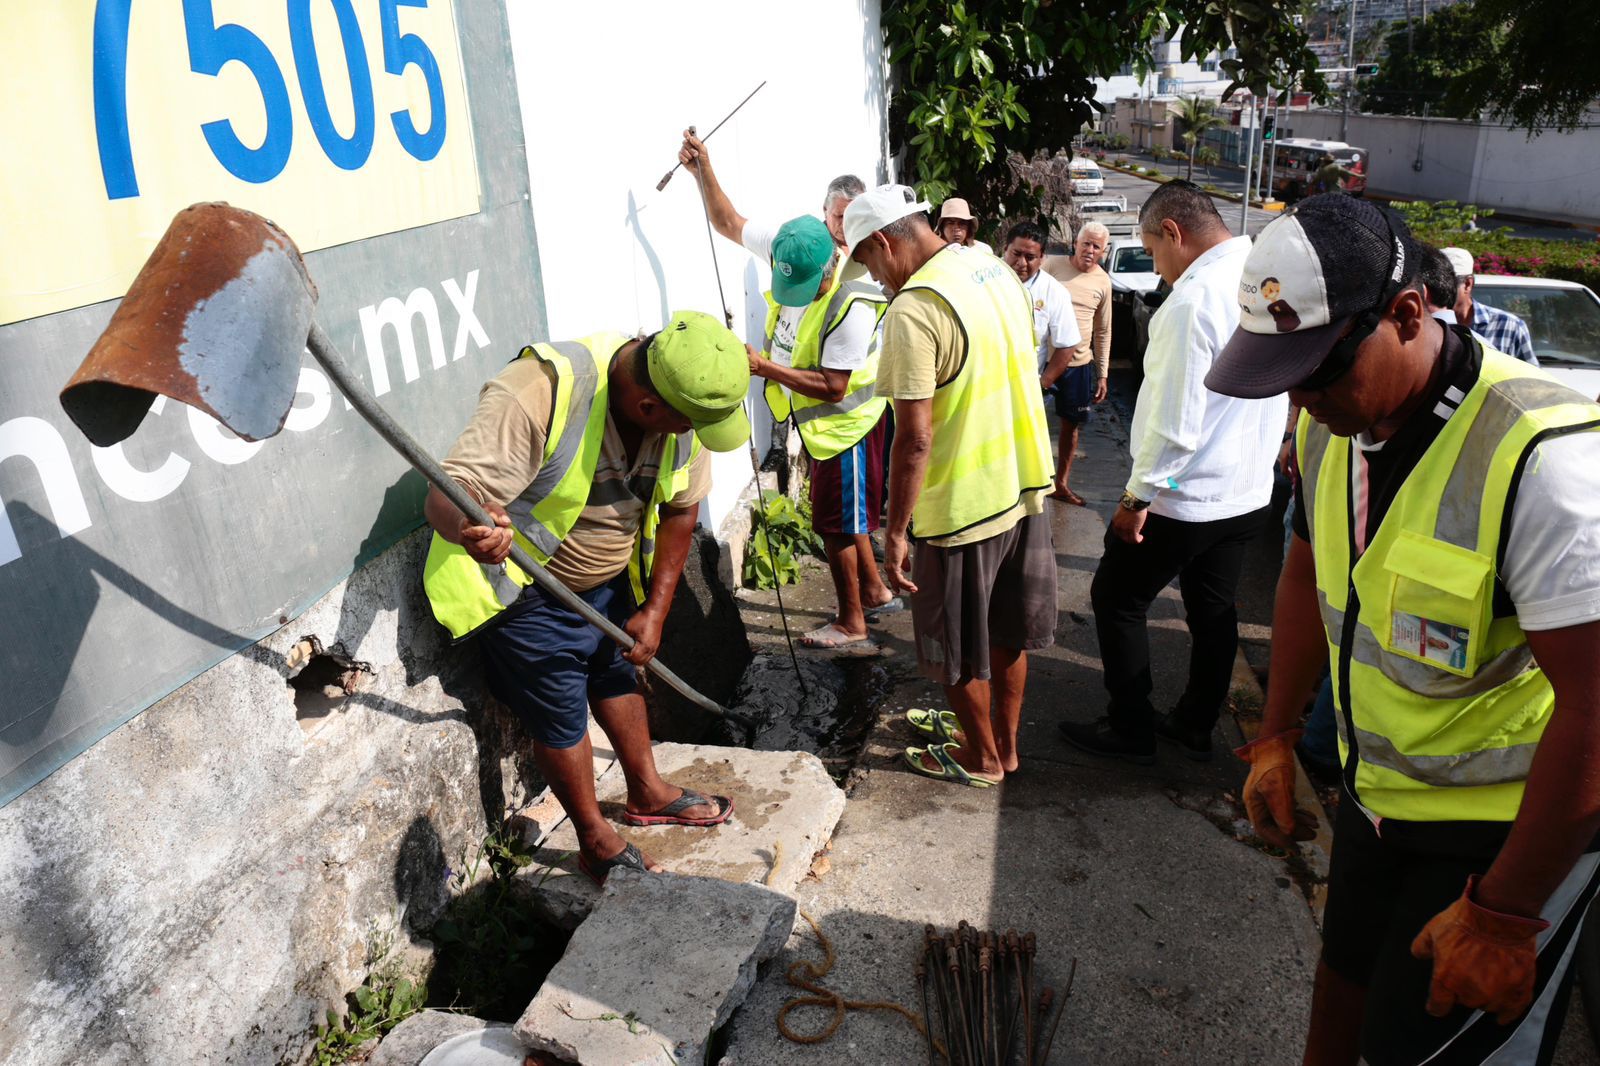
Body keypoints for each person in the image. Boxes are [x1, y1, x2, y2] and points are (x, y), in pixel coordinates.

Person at [1209, 193, 1600, 1066]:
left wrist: (1505, 913)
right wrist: (1275, 735)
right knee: (1340, 998)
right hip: (1376, 802)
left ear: (1408, 313)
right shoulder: (1332, 432)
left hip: (1502, 843)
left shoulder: (1546, 457)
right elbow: (1308, 575)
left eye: (1317, 372)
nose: (1302, 404)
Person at [422, 312, 749, 885]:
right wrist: (474, 525)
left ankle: (646, 791)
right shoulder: (540, 391)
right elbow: (448, 493)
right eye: (689, 425)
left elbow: (681, 508)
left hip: (605, 584)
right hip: (520, 588)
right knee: (561, 712)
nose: (693, 436)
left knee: (616, 672)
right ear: (649, 409)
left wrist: (656, 609)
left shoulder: (683, 404)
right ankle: (594, 838)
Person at [1060, 180, 1286, 763]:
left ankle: (1130, 725)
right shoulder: (1261, 277)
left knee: (1116, 598)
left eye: (1154, 252)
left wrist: (1138, 498)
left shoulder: (1191, 302)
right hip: (1245, 490)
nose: (1158, 270)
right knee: (1213, 609)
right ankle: (1194, 721)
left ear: (1174, 234)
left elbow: (1175, 419)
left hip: (1186, 493)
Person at [844, 185, 1057, 786]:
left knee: (957, 647)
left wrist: (894, 529)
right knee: (1006, 632)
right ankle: (1001, 745)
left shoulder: (914, 308)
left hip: (964, 504)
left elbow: (914, 439)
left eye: (867, 262)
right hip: (1024, 484)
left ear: (885, 242)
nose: (875, 278)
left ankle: (981, 759)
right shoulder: (990, 265)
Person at [677, 131, 899, 651]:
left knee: (838, 524)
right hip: (819, 423)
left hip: (847, 422)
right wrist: (702, 170)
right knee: (848, 515)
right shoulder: (794, 245)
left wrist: (762, 368)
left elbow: (834, 382)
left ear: (831, 263)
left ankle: (851, 622)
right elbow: (728, 223)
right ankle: (873, 589)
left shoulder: (855, 294)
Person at [1043, 221, 1114, 504]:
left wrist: (1102, 374)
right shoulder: (1052, 266)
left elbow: (1104, 330)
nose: (1090, 250)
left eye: (1096, 246)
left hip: (1079, 366)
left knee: (1071, 427)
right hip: (1044, 361)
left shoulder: (1103, 282)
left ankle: (1061, 484)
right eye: (1086, 243)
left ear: (1103, 251)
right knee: (1027, 422)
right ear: (1076, 242)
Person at [1001, 220, 1082, 466]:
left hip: (1027, 389)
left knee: (1020, 454)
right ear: (1005, 248)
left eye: (1030, 257)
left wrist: (1042, 384)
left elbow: (1067, 344)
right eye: (1016, 254)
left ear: (1042, 258)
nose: (1021, 263)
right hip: (983, 385)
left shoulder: (1053, 292)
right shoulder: (985, 278)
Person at [1442, 246, 1540, 365]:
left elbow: (1532, 379)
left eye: (1447, 285)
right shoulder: (1428, 324)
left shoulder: (1509, 326)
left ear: (1468, 284)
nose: (1439, 291)